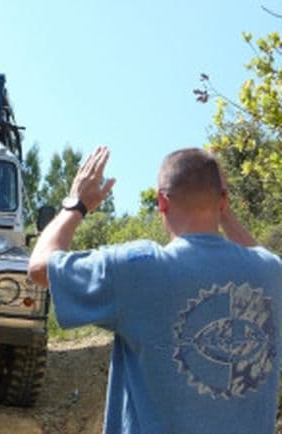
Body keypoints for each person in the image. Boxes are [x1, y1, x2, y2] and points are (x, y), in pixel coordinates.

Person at [27, 146, 282, 434]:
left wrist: (76, 205)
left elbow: (39, 268)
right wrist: (223, 210)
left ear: (162, 202)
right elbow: (262, 256)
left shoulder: (138, 268)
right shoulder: (270, 274)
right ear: (223, 201)